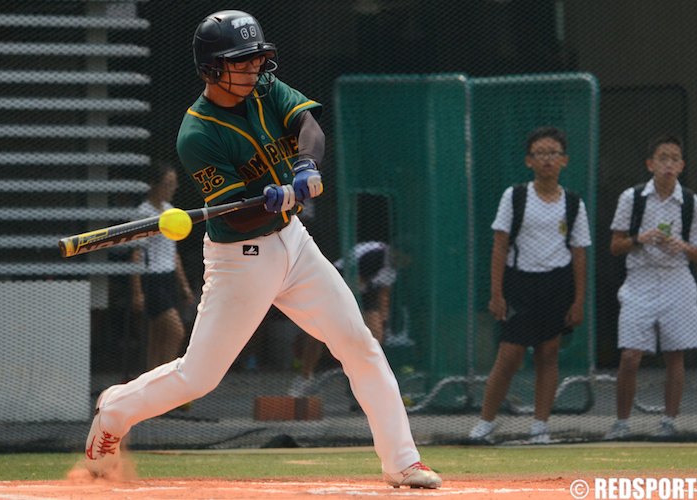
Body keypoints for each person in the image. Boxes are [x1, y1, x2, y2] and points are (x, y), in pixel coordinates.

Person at [83, 10, 441, 489]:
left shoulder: (264, 88)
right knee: (199, 377)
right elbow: (234, 214)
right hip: (241, 258)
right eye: (241, 61)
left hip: (294, 243)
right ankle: (114, 413)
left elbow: (309, 128)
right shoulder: (198, 133)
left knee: (358, 344)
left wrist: (305, 170)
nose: (254, 68)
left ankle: (403, 461)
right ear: (211, 68)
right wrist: (272, 199)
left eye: (256, 58)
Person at [468, 126, 591, 444]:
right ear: (529, 161)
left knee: (549, 353)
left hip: (557, 284)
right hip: (520, 283)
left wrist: (578, 301)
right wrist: (497, 293)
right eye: (540, 153)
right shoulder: (515, 196)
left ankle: (540, 427)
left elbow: (579, 254)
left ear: (564, 160)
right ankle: (485, 423)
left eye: (553, 153)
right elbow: (499, 244)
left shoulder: (574, 204)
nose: (547, 159)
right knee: (509, 355)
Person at [604, 134, 697, 440]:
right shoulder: (632, 198)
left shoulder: (692, 202)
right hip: (640, 278)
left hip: (677, 278)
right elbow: (615, 245)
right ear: (650, 164)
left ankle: (669, 421)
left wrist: (683, 247)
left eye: (675, 158)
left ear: (682, 165)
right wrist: (641, 239)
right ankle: (621, 423)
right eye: (662, 157)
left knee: (675, 354)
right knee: (630, 355)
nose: (668, 164)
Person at [289, 241, 396, 397]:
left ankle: (369, 382)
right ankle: (305, 376)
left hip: (365, 290)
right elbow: (354, 283)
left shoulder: (393, 267)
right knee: (319, 332)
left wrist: (383, 320)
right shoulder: (374, 256)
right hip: (338, 283)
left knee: (376, 335)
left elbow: (383, 294)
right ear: (396, 252)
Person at [130, 163, 195, 371]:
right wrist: (137, 292)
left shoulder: (172, 212)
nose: (171, 189)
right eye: (167, 184)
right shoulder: (143, 212)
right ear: (153, 185)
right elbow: (136, 253)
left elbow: (173, 252)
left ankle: (152, 380)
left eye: (173, 184)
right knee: (176, 330)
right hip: (152, 278)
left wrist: (183, 285)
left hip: (169, 278)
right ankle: (167, 377)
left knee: (158, 336)